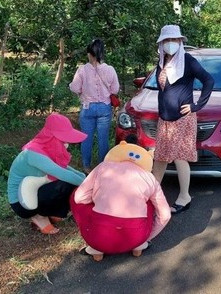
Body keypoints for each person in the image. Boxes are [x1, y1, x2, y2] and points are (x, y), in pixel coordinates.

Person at [71, 141, 171, 261]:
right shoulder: (150, 178)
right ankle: (139, 246)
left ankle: (95, 249)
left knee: (75, 195)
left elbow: (79, 198)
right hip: (136, 237)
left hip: (98, 236)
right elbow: (165, 215)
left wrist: (96, 199)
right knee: (149, 203)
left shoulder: (103, 167)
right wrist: (148, 236)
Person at [152, 24, 214, 214]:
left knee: (180, 157)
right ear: (161, 44)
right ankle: (151, 195)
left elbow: (208, 80)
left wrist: (197, 106)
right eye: (166, 41)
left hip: (182, 118)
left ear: (180, 42)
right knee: (160, 157)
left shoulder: (187, 60)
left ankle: (184, 196)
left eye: (174, 40)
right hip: (165, 119)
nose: (170, 44)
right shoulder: (162, 62)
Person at [7, 113, 87, 235]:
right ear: (52, 136)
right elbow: (61, 173)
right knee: (64, 183)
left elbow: (65, 168)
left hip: (37, 190)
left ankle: (51, 212)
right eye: (63, 139)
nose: (66, 143)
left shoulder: (47, 147)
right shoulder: (34, 152)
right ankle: (39, 216)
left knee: (68, 182)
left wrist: (84, 177)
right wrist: (88, 184)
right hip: (22, 203)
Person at [69, 39, 119, 174]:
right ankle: (102, 166)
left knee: (86, 138)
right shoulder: (110, 70)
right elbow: (115, 90)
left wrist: (81, 90)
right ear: (102, 54)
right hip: (104, 108)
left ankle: (86, 166)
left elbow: (74, 88)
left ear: (89, 54)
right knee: (103, 138)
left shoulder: (82, 70)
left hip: (87, 107)